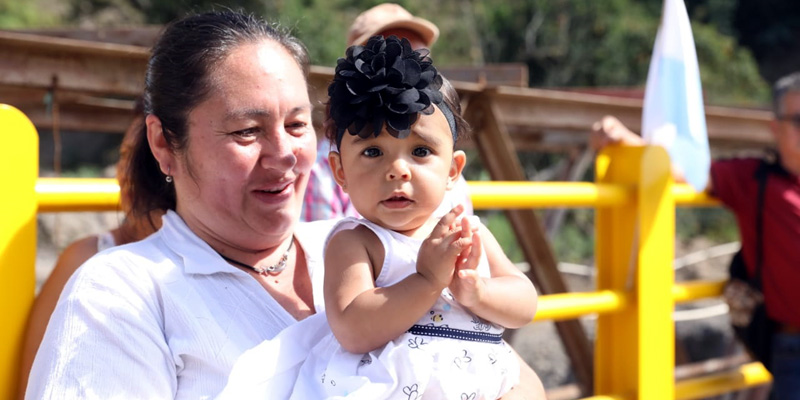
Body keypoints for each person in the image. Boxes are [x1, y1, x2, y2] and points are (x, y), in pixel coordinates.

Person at [25, 10, 545, 399]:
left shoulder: (352, 243)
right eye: (246, 130)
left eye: (297, 126)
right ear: (164, 143)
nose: (285, 155)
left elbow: (514, 374)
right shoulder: (120, 294)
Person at [222, 35, 538, 399]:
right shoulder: (357, 241)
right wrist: (427, 280)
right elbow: (353, 328)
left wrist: (480, 291)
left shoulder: (466, 230)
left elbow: (524, 302)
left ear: (453, 169)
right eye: (373, 151)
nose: (397, 169)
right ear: (340, 172)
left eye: (420, 151)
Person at [590, 72, 800, 399]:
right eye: (798, 120)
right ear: (775, 128)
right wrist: (627, 140)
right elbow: (688, 171)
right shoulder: (755, 179)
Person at [17, 109, 163, 399]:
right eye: (124, 155)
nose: (127, 172)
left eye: (142, 160)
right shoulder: (86, 257)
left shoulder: (224, 259)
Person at [302, 2, 473, 222]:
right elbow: (322, 253)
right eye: (388, 56)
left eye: (416, 59)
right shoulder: (321, 173)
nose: (404, 71)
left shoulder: (442, 167)